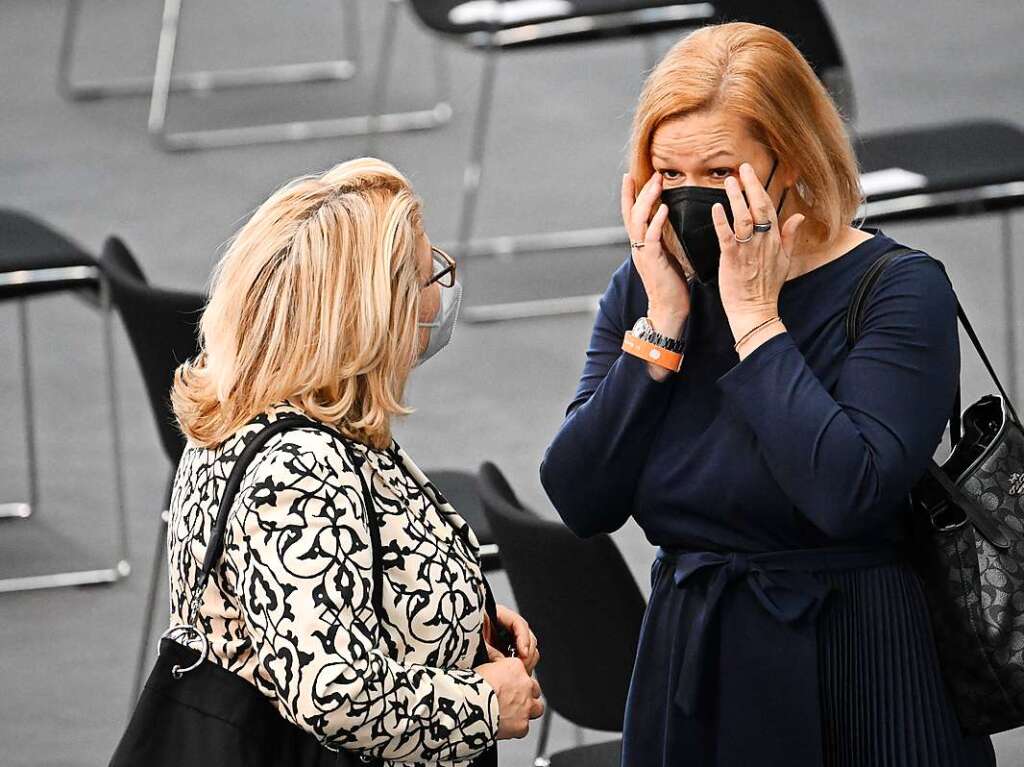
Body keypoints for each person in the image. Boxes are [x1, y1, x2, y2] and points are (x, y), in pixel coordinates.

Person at [539, 21, 996, 767]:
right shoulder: (649, 288)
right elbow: (579, 494)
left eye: (720, 173)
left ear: (793, 159)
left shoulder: (899, 291)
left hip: (859, 669)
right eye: (668, 172)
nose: (690, 199)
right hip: (694, 663)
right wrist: (661, 329)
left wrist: (755, 318)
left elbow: (848, 490)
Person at [165, 158, 543, 766]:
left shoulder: (264, 412)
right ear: (372, 314)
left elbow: (303, 601)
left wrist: (456, 612)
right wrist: (479, 704)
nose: (441, 293)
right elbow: (331, 693)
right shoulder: (299, 467)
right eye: (427, 278)